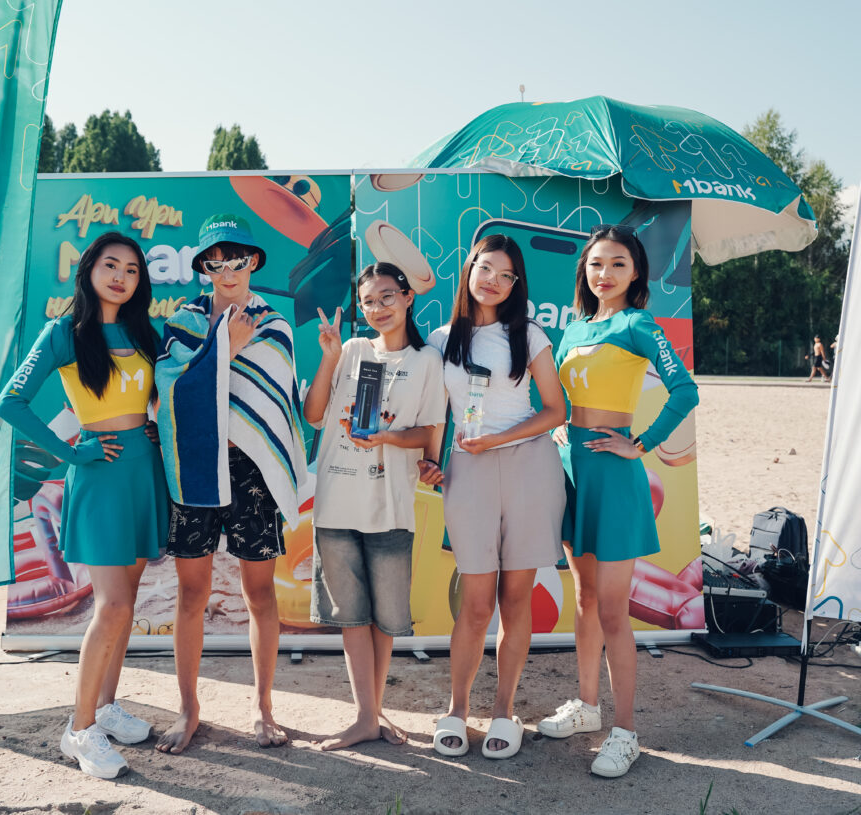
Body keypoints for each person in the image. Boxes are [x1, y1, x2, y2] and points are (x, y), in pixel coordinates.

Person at [0, 232, 166, 779]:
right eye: (111, 265)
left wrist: (156, 431)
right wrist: (69, 450)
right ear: (89, 269)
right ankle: (80, 728)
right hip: (100, 476)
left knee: (127, 602)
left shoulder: (144, 332)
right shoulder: (64, 333)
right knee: (111, 605)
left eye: (132, 270)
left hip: (144, 471)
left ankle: (107, 708)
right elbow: (10, 403)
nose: (120, 277)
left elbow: (162, 397)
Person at [539, 224, 698, 778]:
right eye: (596, 264)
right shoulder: (573, 329)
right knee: (583, 600)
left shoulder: (638, 324)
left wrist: (642, 444)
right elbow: (555, 396)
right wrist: (558, 427)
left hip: (613, 475)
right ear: (584, 270)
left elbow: (685, 391)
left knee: (612, 609)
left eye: (617, 264)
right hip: (570, 472)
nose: (604, 274)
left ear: (636, 273)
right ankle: (586, 707)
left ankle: (625, 732)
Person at [154, 213, 306, 753]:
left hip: (252, 468)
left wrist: (230, 347)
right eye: (215, 263)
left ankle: (264, 708)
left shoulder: (275, 324)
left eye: (237, 260)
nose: (228, 271)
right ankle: (188, 708)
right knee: (192, 593)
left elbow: (278, 402)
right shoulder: (183, 322)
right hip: (196, 467)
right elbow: (169, 392)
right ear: (203, 268)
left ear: (254, 262)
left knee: (259, 592)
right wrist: (225, 347)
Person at [426, 234, 567, 760]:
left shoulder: (528, 334)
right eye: (486, 268)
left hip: (531, 466)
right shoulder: (440, 340)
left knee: (515, 599)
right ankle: (457, 709)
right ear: (469, 269)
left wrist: (499, 439)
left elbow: (555, 410)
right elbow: (433, 412)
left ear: (515, 285)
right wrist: (431, 459)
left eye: (506, 275)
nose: (493, 281)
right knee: (476, 602)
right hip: (469, 471)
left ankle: (504, 711)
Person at [303, 262, 446, 751]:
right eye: (368, 301)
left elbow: (428, 431)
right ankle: (366, 716)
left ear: (407, 298)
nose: (378, 308)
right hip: (337, 501)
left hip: (391, 503)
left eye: (387, 297)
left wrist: (386, 437)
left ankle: (373, 712)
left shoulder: (427, 361)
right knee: (351, 617)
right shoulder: (351, 350)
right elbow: (314, 414)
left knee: (385, 619)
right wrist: (328, 357)